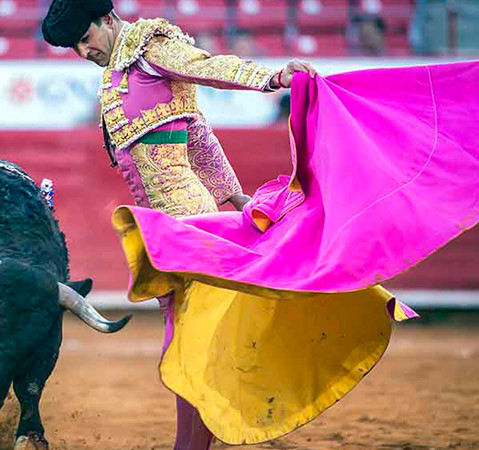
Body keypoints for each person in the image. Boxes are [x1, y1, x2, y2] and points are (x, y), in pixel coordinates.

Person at [41, 2, 316, 449]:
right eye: (74, 46)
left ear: (107, 20)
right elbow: (196, 134)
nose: (83, 51)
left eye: (85, 38)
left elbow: (206, 67)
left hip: (188, 222)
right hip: (164, 230)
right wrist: (236, 198)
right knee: (186, 343)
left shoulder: (151, 48)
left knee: (191, 344)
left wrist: (273, 77)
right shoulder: (118, 72)